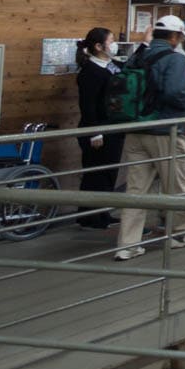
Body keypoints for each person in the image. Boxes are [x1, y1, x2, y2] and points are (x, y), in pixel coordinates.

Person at [115, 15, 185, 260]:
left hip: (135, 130)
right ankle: (181, 233)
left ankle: (127, 245)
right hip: (164, 130)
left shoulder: (139, 53)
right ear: (174, 36)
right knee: (175, 184)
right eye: (180, 37)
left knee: (136, 190)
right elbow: (174, 91)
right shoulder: (175, 58)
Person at [74, 27, 124, 229]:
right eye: (111, 41)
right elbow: (88, 105)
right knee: (96, 174)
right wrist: (95, 132)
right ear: (98, 46)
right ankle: (90, 216)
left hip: (112, 129)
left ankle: (102, 213)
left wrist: (145, 45)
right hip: (98, 129)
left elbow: (128, 67)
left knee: (108, 173)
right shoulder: (90, 72)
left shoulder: (110, 66)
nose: (114, 44)